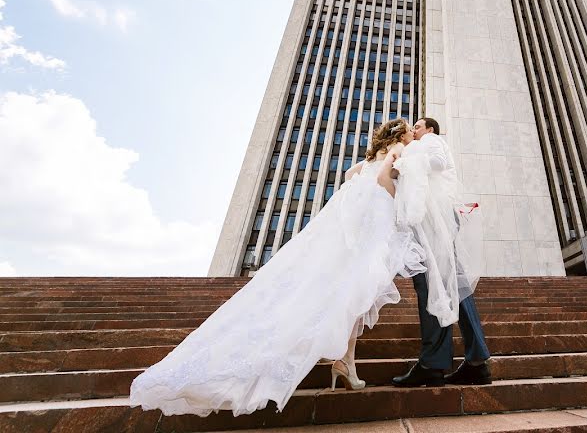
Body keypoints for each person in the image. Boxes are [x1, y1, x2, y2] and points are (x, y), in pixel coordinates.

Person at [129, 118, 424, 417]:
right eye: (410, 130)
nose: (413, 133)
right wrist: (395, 201)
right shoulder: (400, 148)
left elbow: (351, 174)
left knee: (349, 294)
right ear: (399, 134)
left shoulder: (369, 158)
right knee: (353, 292)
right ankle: (344, 361)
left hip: (353, 223)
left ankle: (346, 361)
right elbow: (384, 176)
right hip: (372, 224)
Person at [390, 117, 492, 387]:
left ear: (430, 129)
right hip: (438, 218)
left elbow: (438, 163)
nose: (414, 130)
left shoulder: (431, 141)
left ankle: (433, 364)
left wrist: (401, 165)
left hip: (435, 220)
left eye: (418, 126)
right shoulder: (420, 147)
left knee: (430, 284)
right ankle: (476, 361)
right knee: (455, 287)